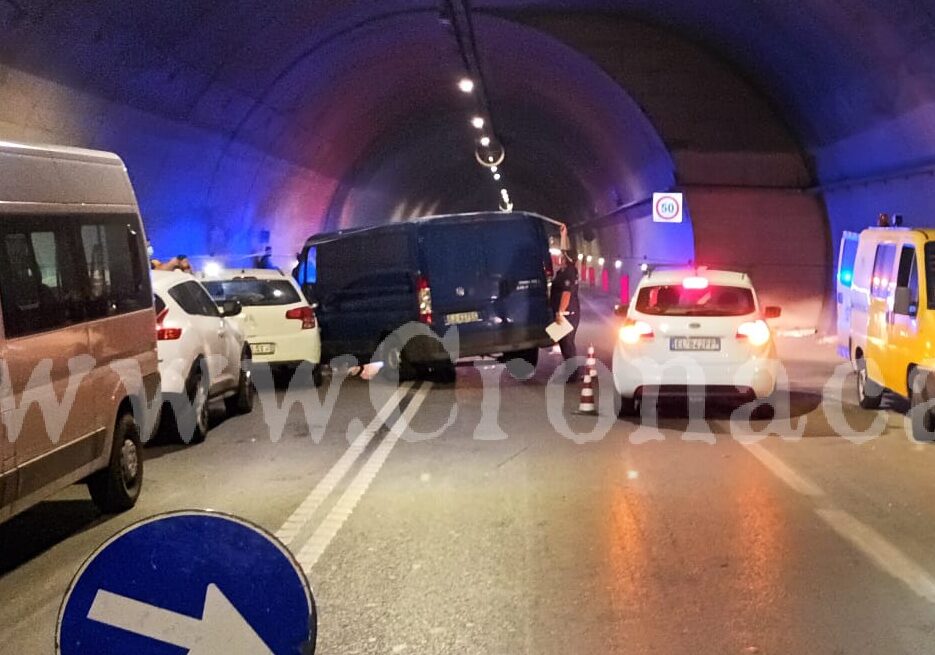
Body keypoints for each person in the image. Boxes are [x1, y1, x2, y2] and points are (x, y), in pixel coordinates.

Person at [551, 247, 581, 381]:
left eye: (562, 256)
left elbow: (566, 293)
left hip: (568, 313)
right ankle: (570, 370)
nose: (560, 258)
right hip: (564, 312)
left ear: (567, 259)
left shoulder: (569, 272)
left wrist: (560, 312)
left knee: (567, 342)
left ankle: (573, 373)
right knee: (563, 342)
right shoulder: (562, 272)